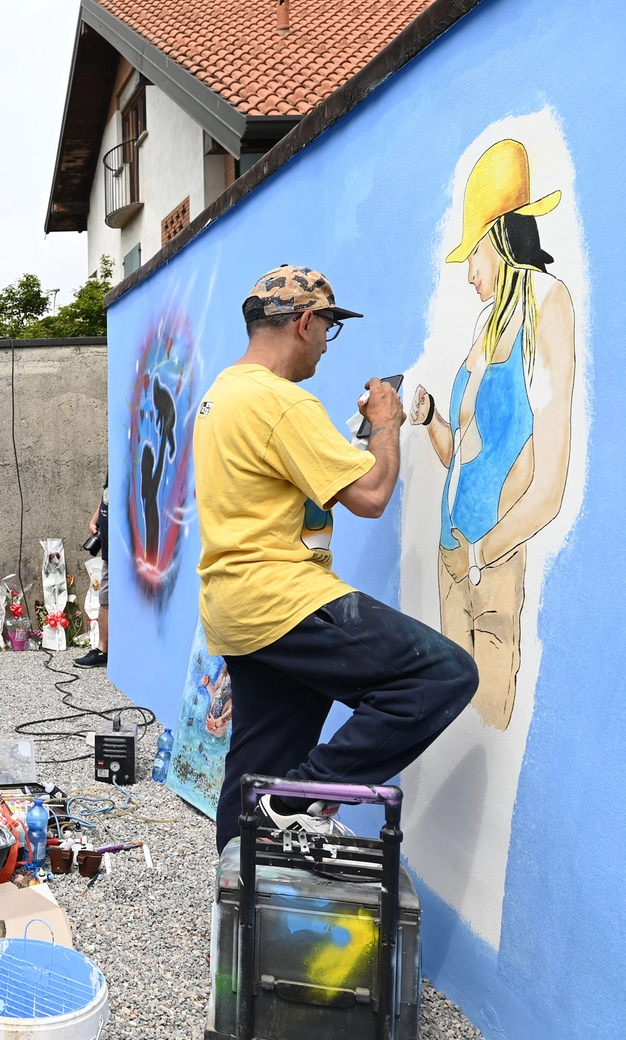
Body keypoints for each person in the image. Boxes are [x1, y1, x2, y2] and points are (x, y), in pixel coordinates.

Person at [194, 265, 478, 850]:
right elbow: (371, 495)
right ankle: (294, 803)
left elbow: (280, 483)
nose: (326, 341)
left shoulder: (222, 395)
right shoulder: (282, 403)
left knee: (254, 771)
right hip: (284, 599)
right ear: (303, 322)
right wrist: (386, 426)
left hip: (235, 611)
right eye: (328, 327)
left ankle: (234, 922)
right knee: (441, 673)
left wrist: (350, 444)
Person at [409, 139, 575, 731]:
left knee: (487, 719)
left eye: (472, 254)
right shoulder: (484, 325)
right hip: (454, 561)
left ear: (497, 240)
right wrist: (432, 420)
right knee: (452, 721)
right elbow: (465, 459)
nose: (468, 273)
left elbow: (550, 482)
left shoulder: (548, 305)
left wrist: (486, 552)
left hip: (492, 566)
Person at [75, 474, 109, 668]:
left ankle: (105, 650)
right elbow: (107, 492)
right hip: (108, 545)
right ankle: (103, 650)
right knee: (105, 598)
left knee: (108, 598)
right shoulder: (115, 456)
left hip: (122, 545)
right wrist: (95, 518)